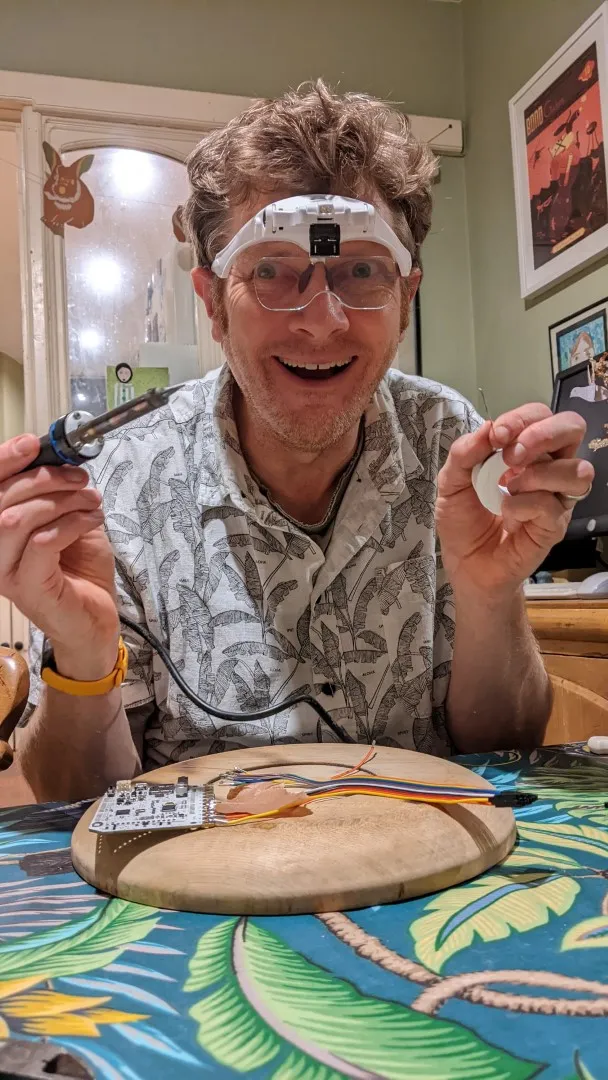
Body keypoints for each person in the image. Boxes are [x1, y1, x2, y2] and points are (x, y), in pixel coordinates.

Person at [0, 81, 592, 802]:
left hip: (424, 870)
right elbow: (74, 799)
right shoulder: (116, 487)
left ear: (407, 299)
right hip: (198, 886)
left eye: (362, 271)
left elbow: (504, 745)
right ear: (213, 304)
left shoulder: (448, 442)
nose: (321, 322)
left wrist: (491, 594)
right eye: (274, 271)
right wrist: (85, 658)